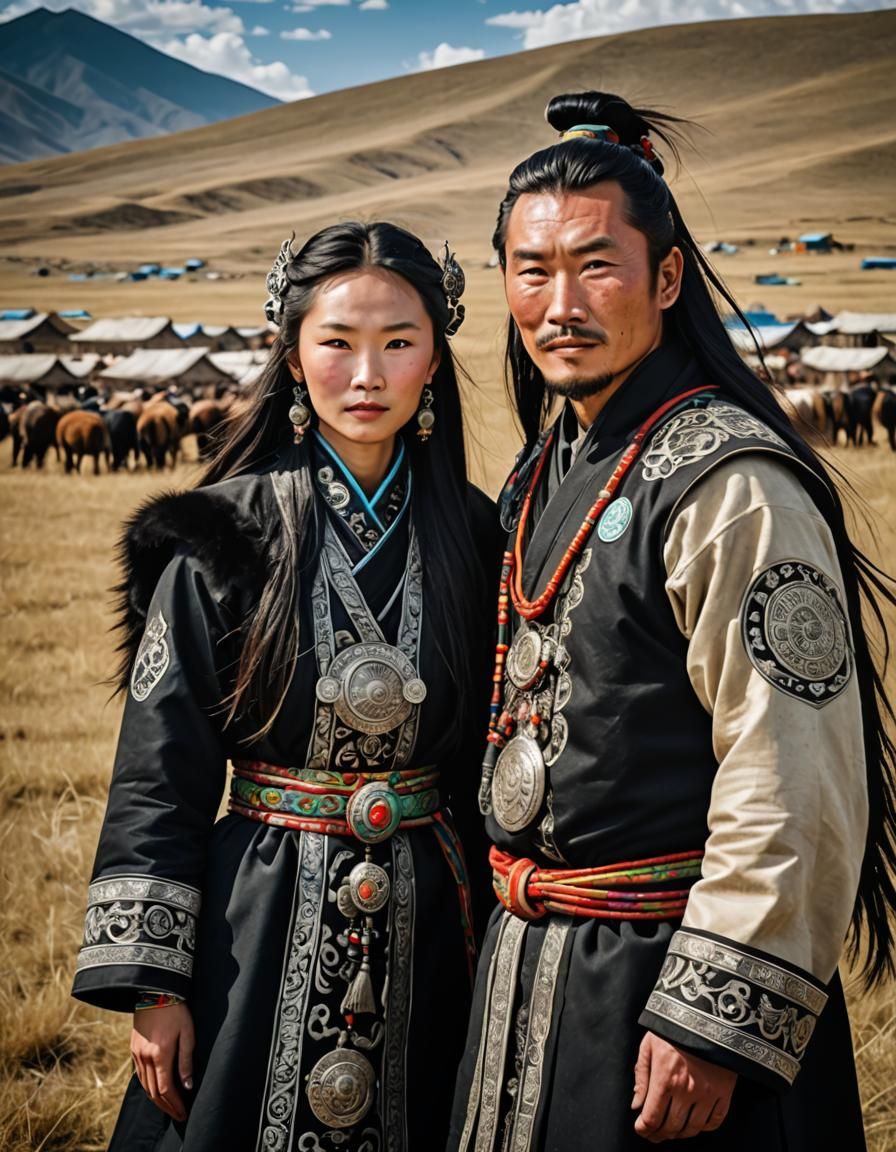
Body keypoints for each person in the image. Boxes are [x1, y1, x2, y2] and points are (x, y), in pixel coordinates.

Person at [449, 92, 896, 1150]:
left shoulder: (732, 487)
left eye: (595, 266)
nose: (560, 304)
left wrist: (713, 1022)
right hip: (531, 967)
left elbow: (791, 775)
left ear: (665, 278)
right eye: (531, 270)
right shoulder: (545, 465)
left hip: (668, 994)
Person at [71, 221, 499, 1151]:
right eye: (337, 342)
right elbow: (160, 771)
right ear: (294, 357)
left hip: (437, 918)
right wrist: (155, 985)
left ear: (434, 359)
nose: (368, 374)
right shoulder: (218, 536)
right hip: (256, 917)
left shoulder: (480, 534)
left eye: (399, 343)